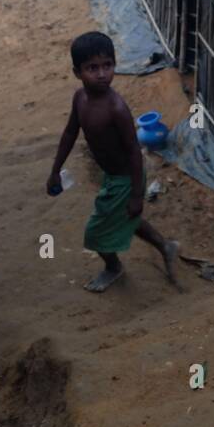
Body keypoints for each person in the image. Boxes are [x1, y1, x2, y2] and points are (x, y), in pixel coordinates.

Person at [47, 31, 179, 293]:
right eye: (92, 68)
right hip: (112, 175)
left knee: (96, 232)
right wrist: (54, 171)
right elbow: (70, 133)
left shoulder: (116, 108)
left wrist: (137, 196)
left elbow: (133, 150)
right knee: (126, 218)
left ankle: (113, 267)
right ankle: (166, 246)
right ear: (77, 72)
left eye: (107, 65)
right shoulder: (80, 99)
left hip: (126, 177)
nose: (101, 74)